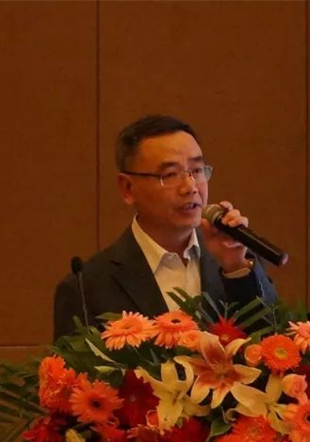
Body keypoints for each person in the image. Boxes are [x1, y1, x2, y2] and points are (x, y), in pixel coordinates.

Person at [53, 115, 279, 340]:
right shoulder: (87, 287)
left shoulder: (238, 261)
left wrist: (236, 269)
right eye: (170, 175)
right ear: (128, 188)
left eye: (197, 170)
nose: (190, 187)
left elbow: (276, 344)